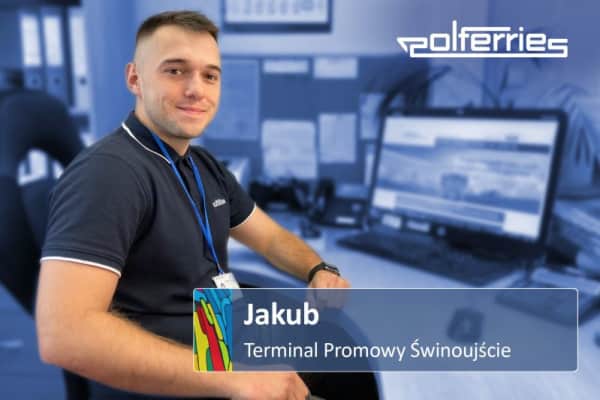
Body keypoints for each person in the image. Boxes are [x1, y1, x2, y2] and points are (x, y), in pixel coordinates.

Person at [36, 10, 350, 400]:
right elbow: (64, 335)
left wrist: (317, 268)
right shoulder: (108, 173)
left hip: (215, 342)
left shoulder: (202, 166)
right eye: (175, 71)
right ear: (135, 78)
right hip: (171, 382)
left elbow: (270, 238)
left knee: (342, 356)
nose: (196, 89)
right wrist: (239, 379)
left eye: (209, 75)